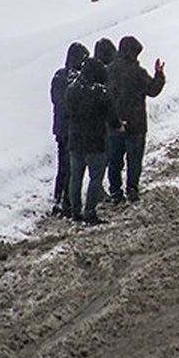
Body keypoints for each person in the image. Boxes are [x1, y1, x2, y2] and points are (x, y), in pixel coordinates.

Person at [106, 35, 166, 203]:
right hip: (135, 123)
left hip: (114, 123)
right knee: (134, 160)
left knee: (115, 161)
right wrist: (159, 75)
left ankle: (115, 191)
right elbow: (153, 90)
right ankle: (132, 189)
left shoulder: (109, 70)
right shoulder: (137, 72)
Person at [66, 57, 122, 225]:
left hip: (75, 140)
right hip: (95, 142)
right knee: (95, 178)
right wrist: (118, 125)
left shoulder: (72, 89)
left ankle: (75, 211)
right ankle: (90, 211)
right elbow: (112, 117)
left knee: (75, 177)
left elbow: (69, 110)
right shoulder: (101, 92)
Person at [49, 42, 89, 218]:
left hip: (60, 128)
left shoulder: (58, 76)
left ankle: (58, 197)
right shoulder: (78, 80)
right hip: (73, 129)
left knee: (62, 165)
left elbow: (55, 100)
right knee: (72, 166)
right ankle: (67, 201)